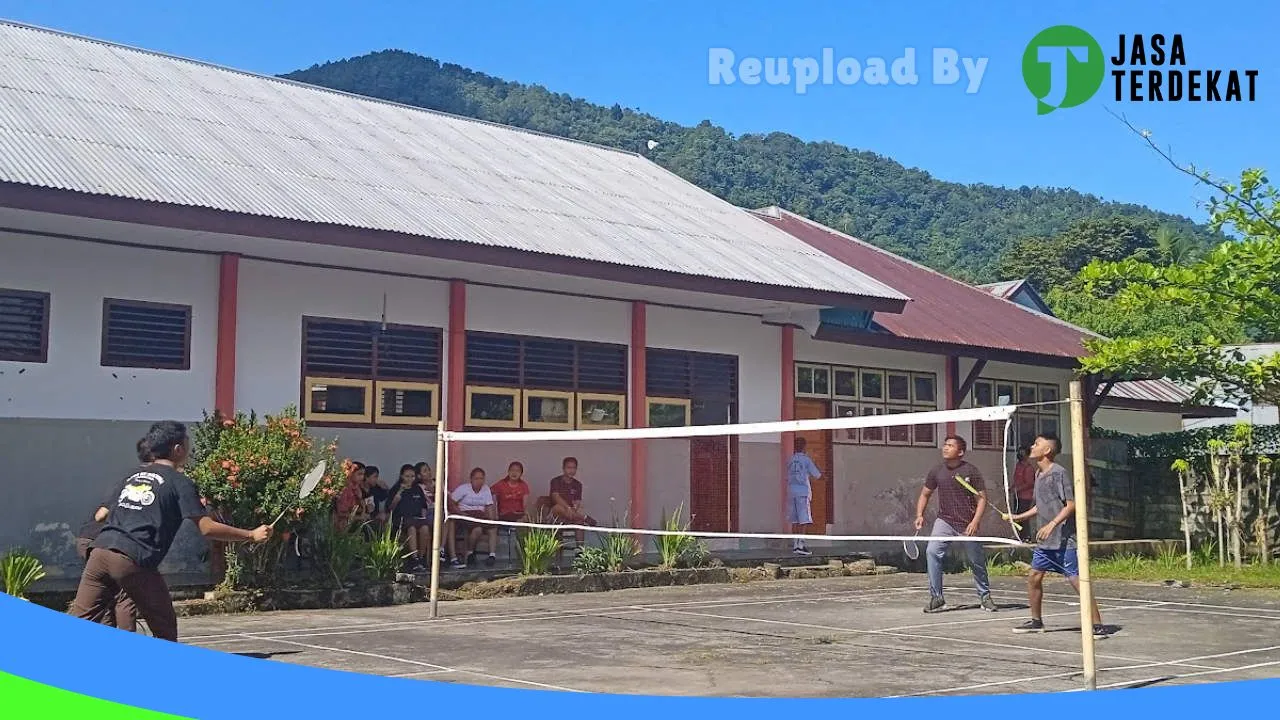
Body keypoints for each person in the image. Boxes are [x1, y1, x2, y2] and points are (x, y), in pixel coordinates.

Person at [68, 421, 272, 642]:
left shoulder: (133, 475)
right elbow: (206, 528)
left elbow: (102, 514)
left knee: (82, 619)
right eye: (187, 443)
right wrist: (251, 534)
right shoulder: (179, 482)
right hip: (132, 559)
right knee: (164, 628)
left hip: (99, 552)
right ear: (178, 449)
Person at [1005, 433, 1108, 639]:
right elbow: (1039, 506)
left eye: (1037, 444)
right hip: (1045, 542)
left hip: (1064, 540)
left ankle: (1097, 624)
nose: (1032, 446)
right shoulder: (1038, 474)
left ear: (1047, 450)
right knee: (1034, 577)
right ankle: (1036, 621)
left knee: (1078, 582)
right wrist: (1018, 516)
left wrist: (1052, 524)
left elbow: (1071, 504)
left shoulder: (1059, 473)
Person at [73, 437, 151, 632]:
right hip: (105, 542)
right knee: (125, 595)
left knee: (105, 592)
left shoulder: (133, 477)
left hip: (90, 539)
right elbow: (101, 515)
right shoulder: (141, 479)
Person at [914, 435, 997, 614]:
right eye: (945, 445)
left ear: (960, 452)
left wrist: (975, 521)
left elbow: (982, 499)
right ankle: (937, 598)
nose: (945, 448)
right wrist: (919, 514)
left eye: (950, 445)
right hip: (944, 520)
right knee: (932, 552)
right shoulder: (936, 471)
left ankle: (985, 596)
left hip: (967, 522)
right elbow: (925, 494)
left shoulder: (971, 471)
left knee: (976, 560)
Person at [448, 467, 498, 568]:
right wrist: (461, 514)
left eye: (481, 479)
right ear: (471, 479)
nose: (479, 481)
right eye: (476, 478)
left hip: (480, 516)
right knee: (477, 529)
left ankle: (492, 555)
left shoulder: (486, 489)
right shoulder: (463, 488)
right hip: (466, 515)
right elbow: (451, 502)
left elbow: (489, 507)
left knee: (492, 528)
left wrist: (492, 520)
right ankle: (470, 552)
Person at [389, 463, 431, 573]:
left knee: (425, 528)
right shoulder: (396, 489)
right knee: (411, 528)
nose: (410, 479)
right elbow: (390, 508)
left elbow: (423, 506)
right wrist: (397, 497)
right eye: (407, 476)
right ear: (402, 476)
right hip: (402, 520)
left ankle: (421, 557)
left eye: (412, 476)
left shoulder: (417, 489)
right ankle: (414, 558)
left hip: (417, 519)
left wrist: (423, 516)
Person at [785, 437, 822, 556]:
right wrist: (826, 477)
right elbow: (817, 474)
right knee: (804, 519)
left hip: (792, 492)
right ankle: (801, 544)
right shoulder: (806, 460)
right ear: (804, 447)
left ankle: (796, 544)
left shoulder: (790, 460)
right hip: (802, 492)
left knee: (795, 520)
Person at [549, 457, 596, 547]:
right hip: (555, 515)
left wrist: (574, 508)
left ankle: (580, 551)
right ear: (563, 468)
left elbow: (577, 501)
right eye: (569, 468)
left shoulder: (577, 485)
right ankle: (584, 517)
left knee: (579, 522)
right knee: (558, 507)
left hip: (570, 514)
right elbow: (555, 497)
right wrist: (568, 508)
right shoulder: (555, 481)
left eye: (574, 468)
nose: (571, 470)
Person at [1011, 447, 1037, 542]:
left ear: (1027, 455)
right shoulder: (1018, 465)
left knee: (1024, 517)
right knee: (1017, 516)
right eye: (1019, 452)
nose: (1020, 454)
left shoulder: (1029, 468)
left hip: (1025, 497)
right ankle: (1020, 536)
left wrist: (1018, 489)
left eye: (1022, 453)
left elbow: (1030, 483)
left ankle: (1026, 537)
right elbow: (1016, 479)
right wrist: (1012, 488)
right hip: (1017, 496)